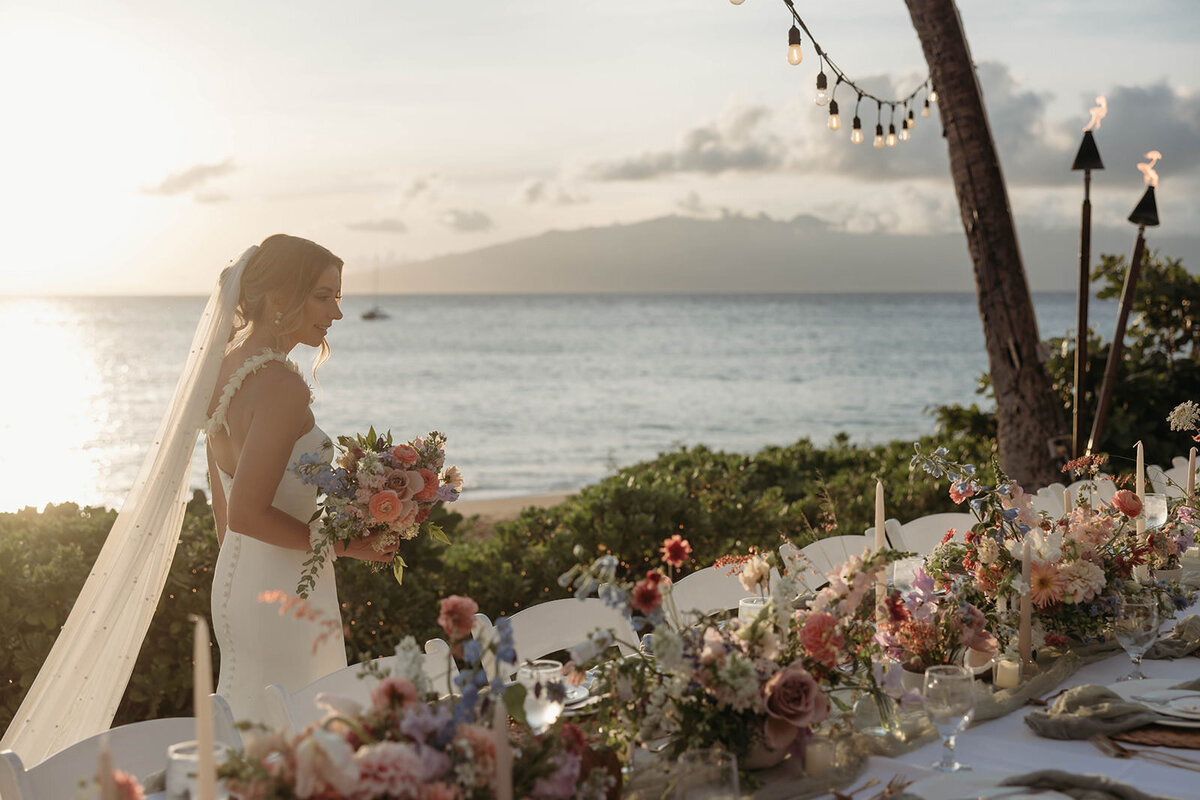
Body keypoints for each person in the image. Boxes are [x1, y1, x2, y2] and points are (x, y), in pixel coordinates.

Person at [203, 234, 397, 726]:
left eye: (338, 298)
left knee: (256, 735)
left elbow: (225, 512)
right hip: (286, 591)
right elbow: (248, 513)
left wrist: (239, 580)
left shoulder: (221, 371)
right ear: (278, 297)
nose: (335, 313)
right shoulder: (281, 385)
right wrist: (352, 544)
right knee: (304, 736)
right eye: (322, 296)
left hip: (238, 584)